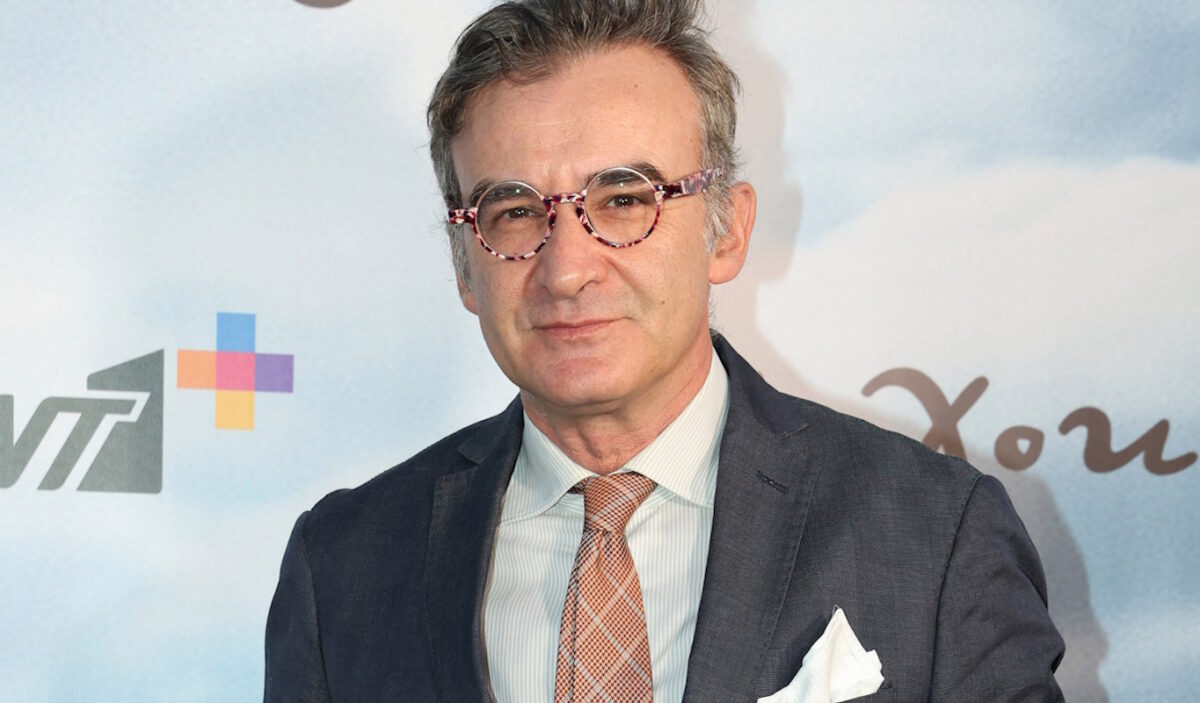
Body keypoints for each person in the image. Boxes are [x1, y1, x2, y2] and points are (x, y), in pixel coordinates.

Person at [264, 1, 1065, 701]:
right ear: (463, 263)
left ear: (729, 230)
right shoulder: (341, 568)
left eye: (623, 200)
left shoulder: (934, 535)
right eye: (513, 211)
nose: (567, 269)